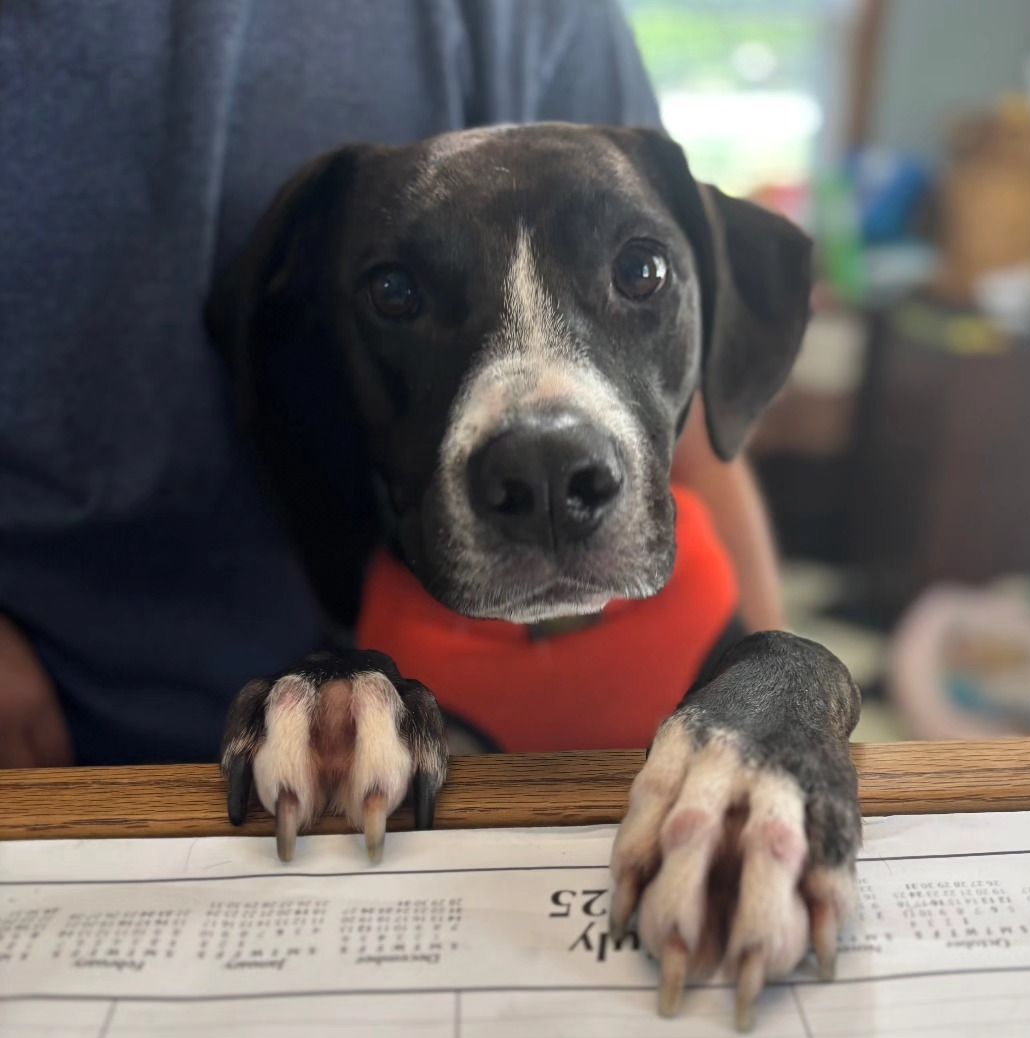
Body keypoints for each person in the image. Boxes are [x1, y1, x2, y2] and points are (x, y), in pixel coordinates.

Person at [0, 0, 783, 768]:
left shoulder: (533, 17)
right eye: (399, 298)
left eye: (638, 272)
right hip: (76, 742)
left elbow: (700, 422)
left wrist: (781, 734)